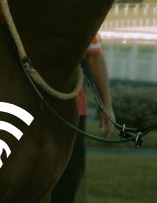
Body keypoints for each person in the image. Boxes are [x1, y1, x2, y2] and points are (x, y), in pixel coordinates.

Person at [52, 33, 115, 203]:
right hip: (27, 105)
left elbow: (94, 55)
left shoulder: (81, 12)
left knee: (68, 179)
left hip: (72, 109)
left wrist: (106, 106)